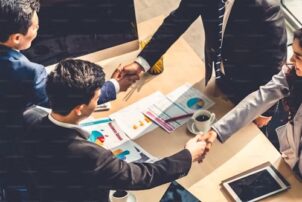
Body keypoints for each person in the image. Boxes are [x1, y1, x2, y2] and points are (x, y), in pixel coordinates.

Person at [0, 0, 136, 200]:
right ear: (17, 38)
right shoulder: (27, 71)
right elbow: (63, 97)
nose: (39, 28)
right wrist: (114, 85)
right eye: (35, 27)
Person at [22, 59, 207, 201]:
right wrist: (189, 155)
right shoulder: (90, 156)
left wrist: (116, 84)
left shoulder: (29, 117)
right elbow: (143, 176)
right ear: (79, 108)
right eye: (96, 97)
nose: (99, 98)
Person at [121, 0, 287, 126]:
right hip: (218, 76)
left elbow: (275, 63)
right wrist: (141, 63)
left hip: (249, 93)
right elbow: (177, 21)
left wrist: (264, 111)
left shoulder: (266, 8)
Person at [200, 28, 302, 179]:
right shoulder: (292, 73)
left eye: (299, 56)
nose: (292, 60)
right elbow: (260, 98)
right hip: (291, 161)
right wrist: (216, 130)